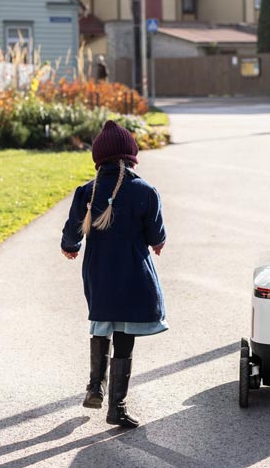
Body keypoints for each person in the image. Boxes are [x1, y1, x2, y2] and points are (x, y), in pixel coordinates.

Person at [61, 120, 167, 429]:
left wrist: (70, 246)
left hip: (98, 270)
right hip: (133, 271)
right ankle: (116, 408)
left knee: (102, 323)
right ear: (131, 156)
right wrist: (158, 243)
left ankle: (95, 385)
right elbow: (154, 233)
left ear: (99, 159)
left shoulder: (86, 191)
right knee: (124, 334)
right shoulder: (145, 191)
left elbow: (72, 229)